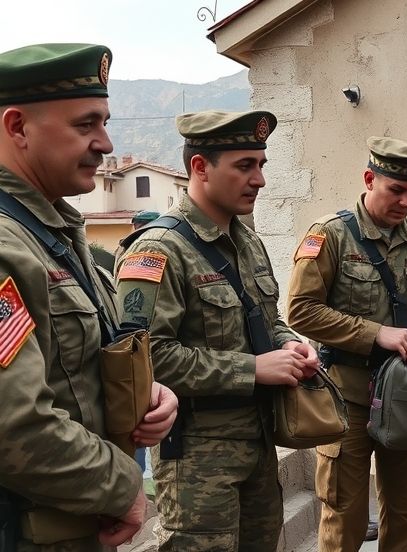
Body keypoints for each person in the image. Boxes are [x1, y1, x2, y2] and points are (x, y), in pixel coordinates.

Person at [0, 43, 179, 551]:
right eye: (86, 124)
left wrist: (147, 394)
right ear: (17, 127)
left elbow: (77, 365)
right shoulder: (8, 242)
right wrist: (124, 489)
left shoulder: (51, 230)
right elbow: (14, 424)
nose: (105, 142)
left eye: (104, 122)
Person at [116, 110, 317, 550]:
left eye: (261, 165)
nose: (259, 179)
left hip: (259, 443)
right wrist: (253, 369)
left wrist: (291, 346)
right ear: (200, 167)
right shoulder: (157, 249)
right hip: (196, 458)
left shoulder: (248, 242)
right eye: (245, 165)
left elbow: (269, 319)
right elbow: (144, 358)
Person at [286, 136, 407, 551]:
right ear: (369, 179)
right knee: (344, 514)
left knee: (405, 510)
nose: (406, 201)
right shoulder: (330, 236)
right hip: (348, 400)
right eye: (396, 189)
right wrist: (376, 333)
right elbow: (300, 311)